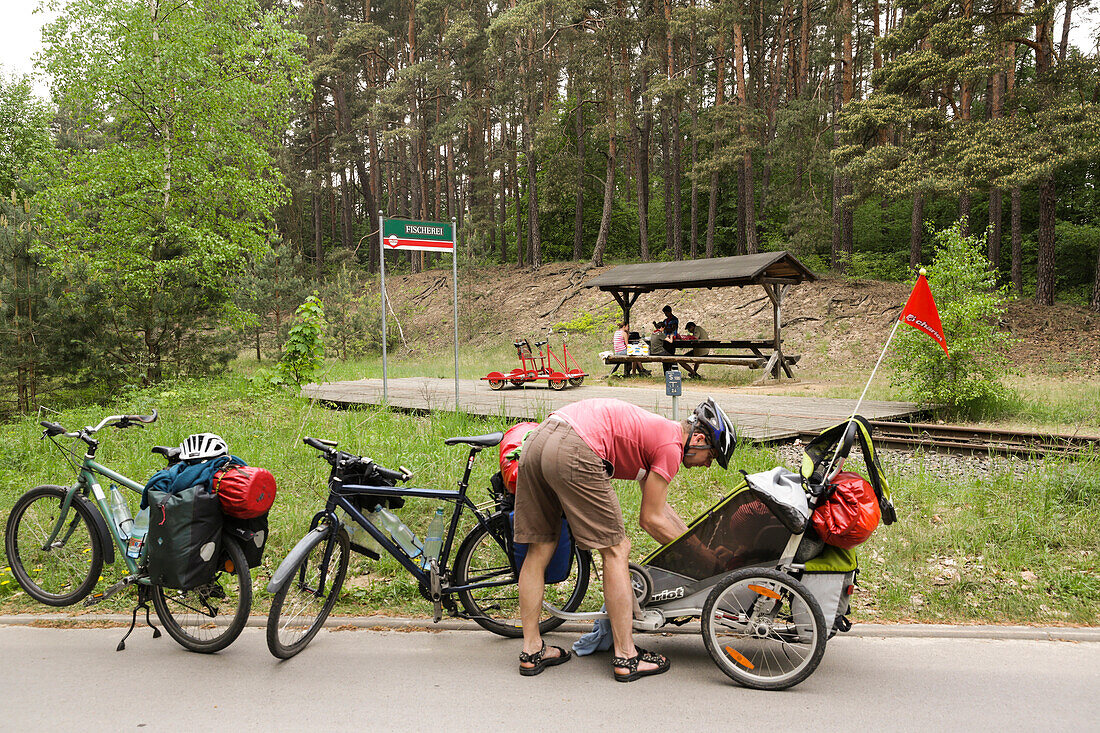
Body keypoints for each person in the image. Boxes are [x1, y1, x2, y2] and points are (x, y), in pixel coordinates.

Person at [514, 397, 736, 681]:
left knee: (540, 548)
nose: (707, 466)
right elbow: (651, 520)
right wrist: (704, 559)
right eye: (712, 457)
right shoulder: (671, 446)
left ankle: (532, 649)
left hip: (540, 438)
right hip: (576, 446)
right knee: (617, 550)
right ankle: (626, 655)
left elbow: (660, 508)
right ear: (700, 438)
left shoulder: (657, 433)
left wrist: (698, 546)